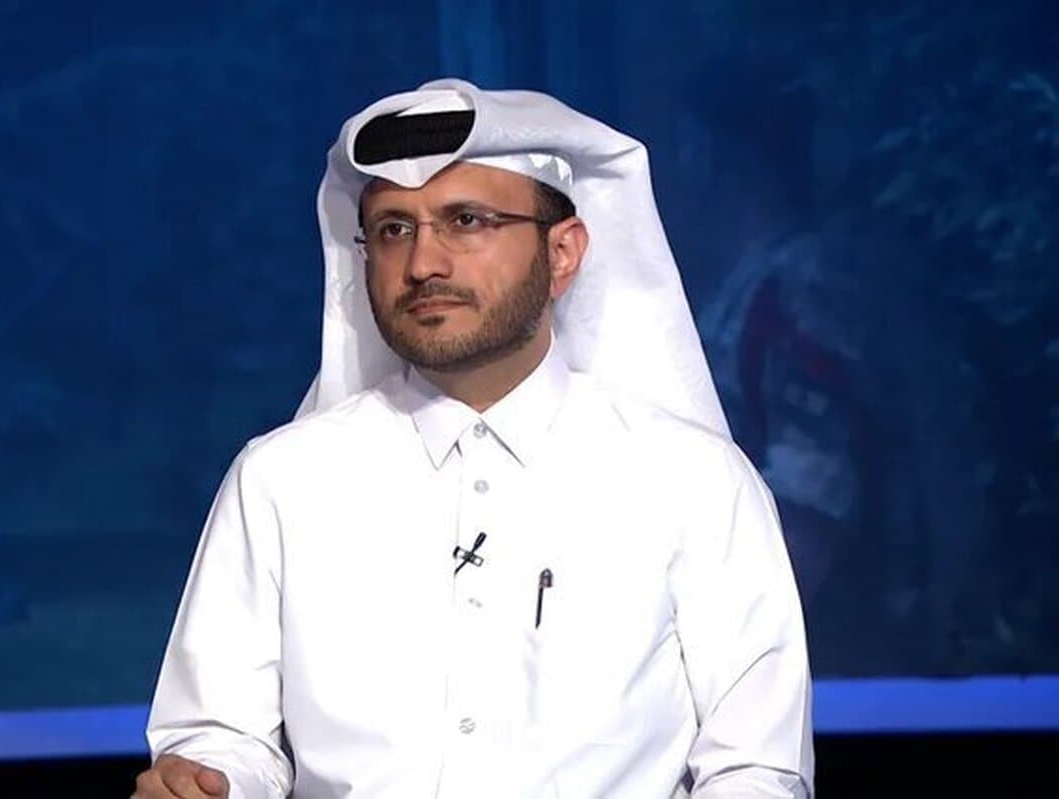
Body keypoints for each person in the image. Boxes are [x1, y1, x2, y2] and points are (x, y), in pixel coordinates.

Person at [135, 78, 814, 798]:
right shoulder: (282, 480)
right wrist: (212, 781)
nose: (423, 263)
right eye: (394, 229)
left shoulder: (693, 482)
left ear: (563, 252)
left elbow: (756, 769)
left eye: (465, 220)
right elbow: (225, 735)